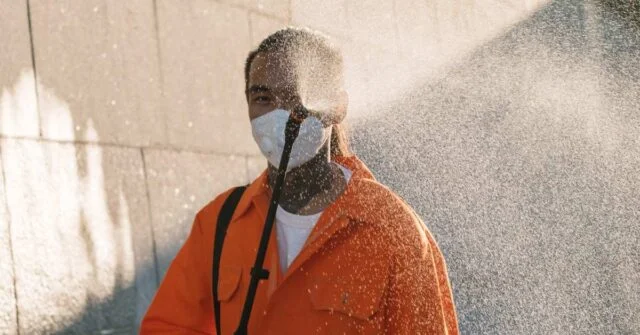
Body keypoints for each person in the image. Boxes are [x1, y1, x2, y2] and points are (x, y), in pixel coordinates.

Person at [141, 27, 458, 334]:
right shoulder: (219, 222)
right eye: (262, 97)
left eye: (295, 97)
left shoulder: (395, 231)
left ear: (336, 107)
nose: (278, 115)